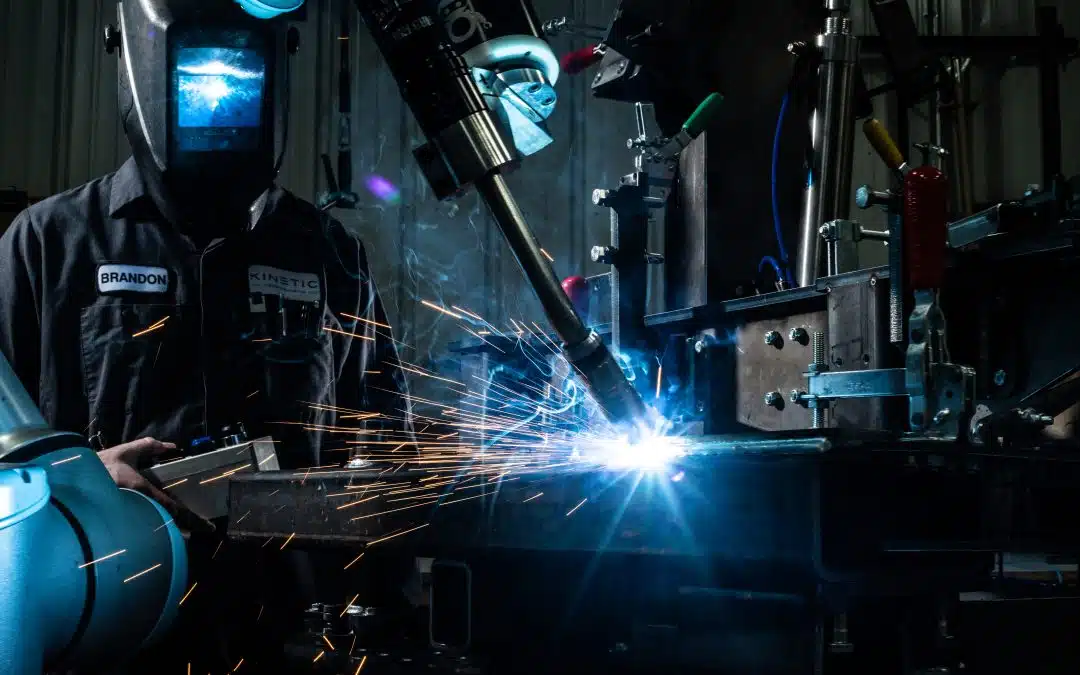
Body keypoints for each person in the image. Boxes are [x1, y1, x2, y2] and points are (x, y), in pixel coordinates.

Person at [0, 1, 412, 671]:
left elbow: (389, 446)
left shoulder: (328, 253)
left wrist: (389, 615)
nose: (219, 100)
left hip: (287, 633)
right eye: (198, 79)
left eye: (240, 77)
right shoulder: (50, 245)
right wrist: (82, 480)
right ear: (137, 60)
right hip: (110, 625)